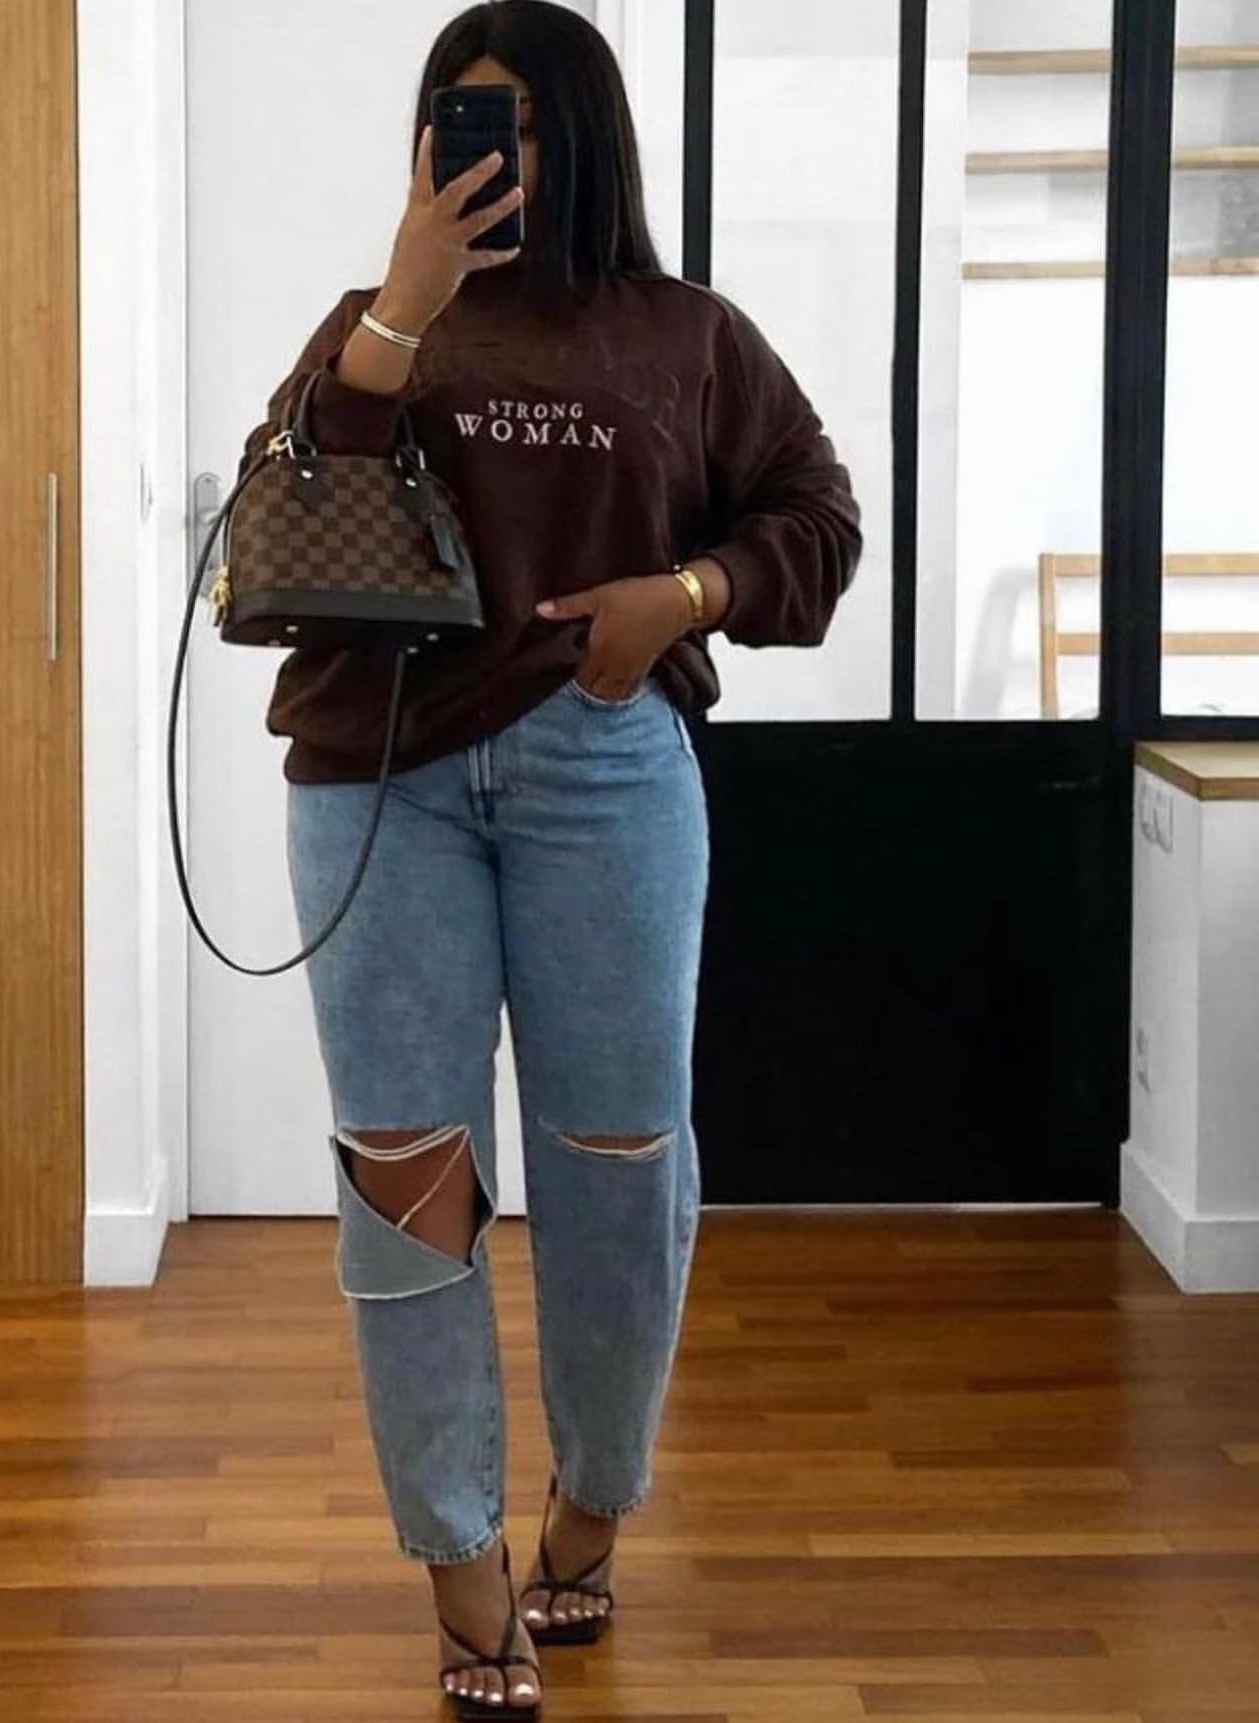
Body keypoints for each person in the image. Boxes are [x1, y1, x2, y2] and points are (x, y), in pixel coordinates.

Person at [243, 3, 862, 1713]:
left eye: (510, 118)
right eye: (453, 116)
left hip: (606, 769)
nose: (479, 148)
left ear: (580, 134)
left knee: (619, 1159)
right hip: (381, 779)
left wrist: (689, 595)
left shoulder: (687, 335)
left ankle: (590, 1504)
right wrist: (399, 312)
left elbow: (818, 518)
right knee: (407, 1172)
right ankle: (459, 1565)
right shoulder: (378, 317)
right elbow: (281, 516)